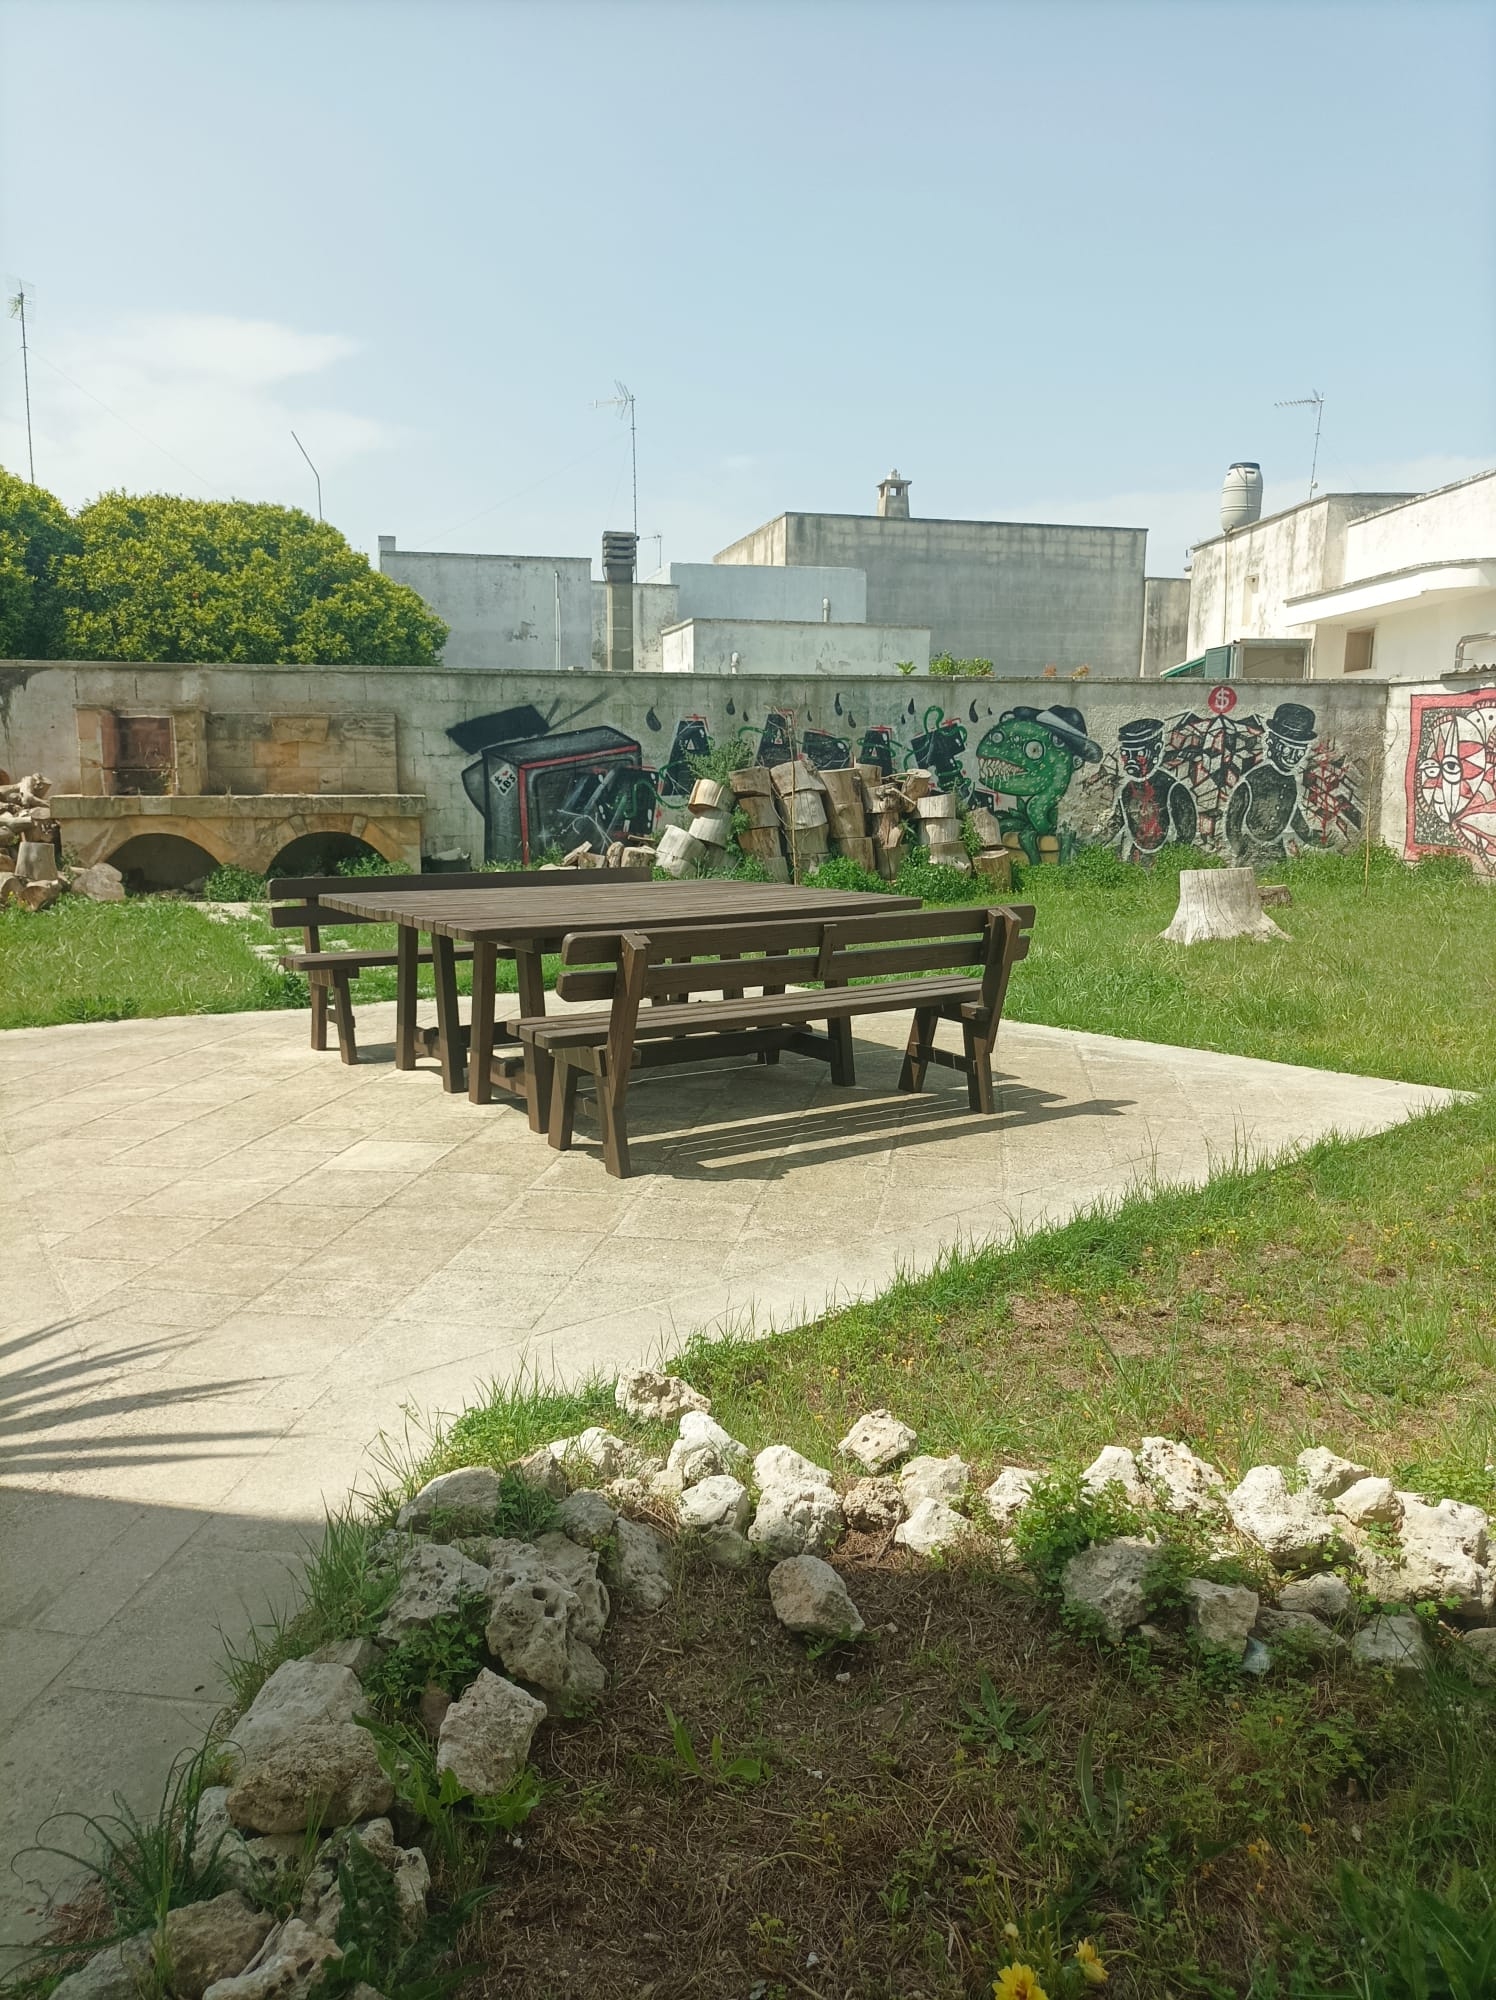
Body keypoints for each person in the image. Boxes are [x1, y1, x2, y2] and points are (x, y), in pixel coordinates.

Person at [1225, 702, 1317, 862]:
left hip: (1277, 851)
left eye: (1299, 751)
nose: (1293, 756)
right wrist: (1241, 849)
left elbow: (1293, 813)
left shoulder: (1290, 782)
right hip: (1251, 850)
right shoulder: (1254, 780)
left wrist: (1309, 836)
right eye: (1287, 748)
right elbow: (1232, 823)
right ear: (1272, 743)